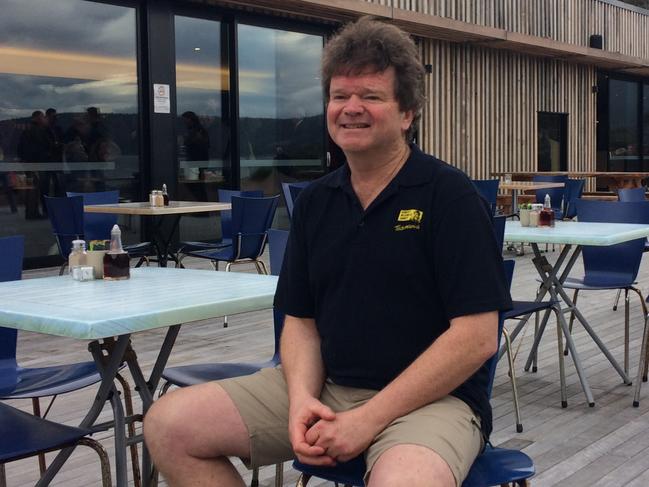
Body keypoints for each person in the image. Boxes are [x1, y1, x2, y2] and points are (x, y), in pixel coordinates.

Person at [144, 17, 511, 487]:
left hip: (431, 403)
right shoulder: (316, 201)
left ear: (407, 113)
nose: (351, 108)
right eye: (340, 96)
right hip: (327, 387)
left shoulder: (449, 197)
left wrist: (368, 419)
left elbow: (477, 337)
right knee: (169, 425)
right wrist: (301, 401)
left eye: (371, 97)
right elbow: (300, 321)